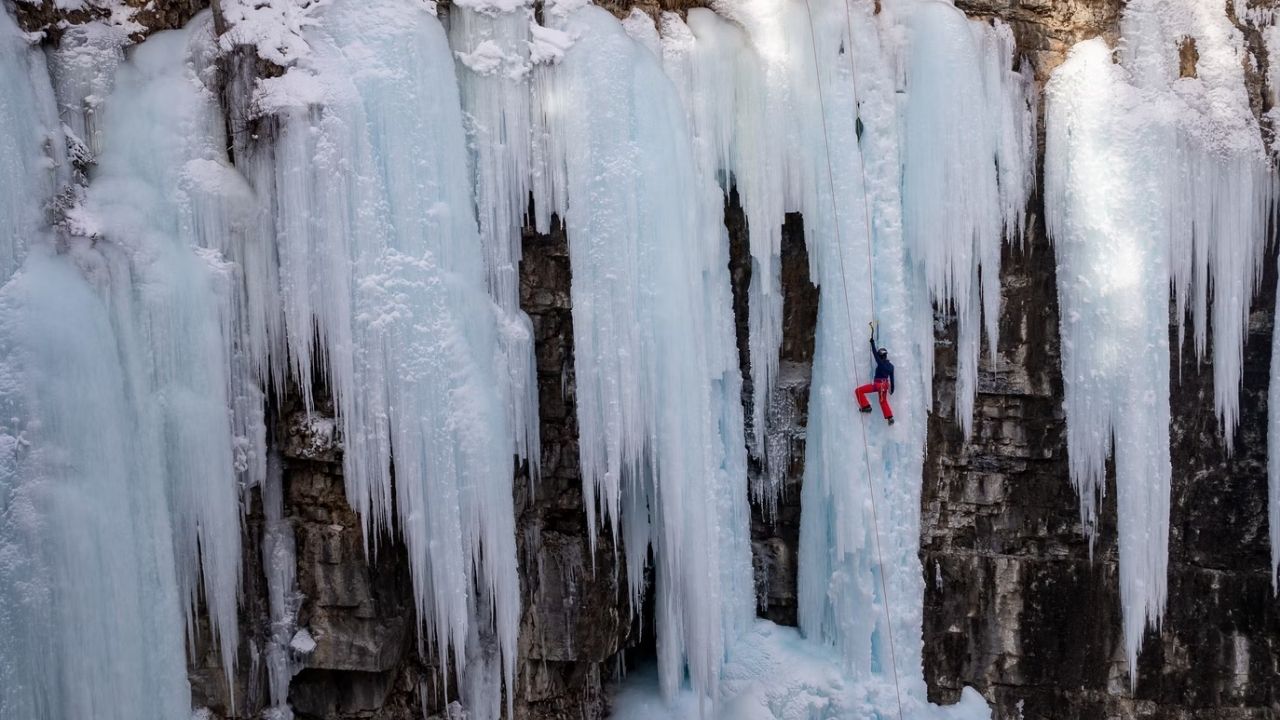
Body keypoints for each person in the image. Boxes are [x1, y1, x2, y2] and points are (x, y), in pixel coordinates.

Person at [855, 321, 894, 425]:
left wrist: (872, 343)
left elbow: (874, 354)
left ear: (881, 356)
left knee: (859, 391)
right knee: (883, 401)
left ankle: (866, 406)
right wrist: (892, 389)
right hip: (885, 385)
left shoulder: (880, 363)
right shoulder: (891, 366)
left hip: (878, 386)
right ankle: (890, 418)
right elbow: (892, 379)